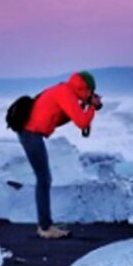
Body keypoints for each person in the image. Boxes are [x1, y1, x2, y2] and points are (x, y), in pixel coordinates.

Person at [17, 71, 103, 238]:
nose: (91, 95)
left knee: (44, 179)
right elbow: (82, 122)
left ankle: (45, 224)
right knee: (44, 179)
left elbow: (61, 117)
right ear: (85, 88)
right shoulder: (66, 94)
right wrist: (92, 106)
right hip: (30, 134)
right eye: (90, 92)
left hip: (30, 133)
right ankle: (45, 228)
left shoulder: (64, 90)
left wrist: (85, 105)